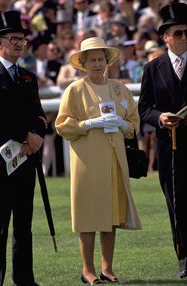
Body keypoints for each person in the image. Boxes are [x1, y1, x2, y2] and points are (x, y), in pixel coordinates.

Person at [55, 37, 142, 285]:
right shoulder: (74, 89)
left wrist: (124, 124)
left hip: (115, 158)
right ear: (83, 63)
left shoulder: (119, 88)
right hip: (87, 160)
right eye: (92, 59)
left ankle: (107, 267)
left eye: (100, 59)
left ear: (107, 61)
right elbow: (62, 125)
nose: (97, 63)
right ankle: (87, 269)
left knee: (111, 214)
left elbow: (134, 122)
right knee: (88, 214)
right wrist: (88, 124)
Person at [0, 10, 47, 286]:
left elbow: (39, 114)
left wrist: (36, 133)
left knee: (24, 224)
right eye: (14, 39)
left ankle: (24, 279)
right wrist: (27, 134)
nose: (20, 44)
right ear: (0, 43)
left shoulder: (28, 77)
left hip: (25, 158)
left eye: (23, 39)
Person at [138, 2, 187, 279]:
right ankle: (183, 255)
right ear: (166, 36)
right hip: (170, 145)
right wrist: (161, 117)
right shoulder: (153, 68)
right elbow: (143, 107)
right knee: (176, 202)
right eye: (178, 33)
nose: (184, 38)